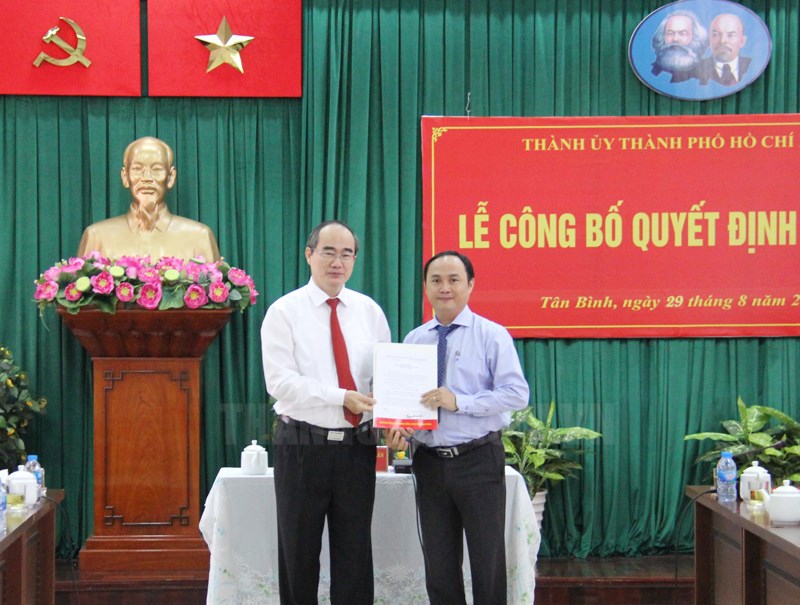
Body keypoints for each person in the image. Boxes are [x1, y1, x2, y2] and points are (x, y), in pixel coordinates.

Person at [385, 250, 529, 605]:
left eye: (453, 280)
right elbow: (407, 404)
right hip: (429, 462)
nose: (444, 288)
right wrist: (399, 429)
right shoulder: (414, 340)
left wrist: (459, 401)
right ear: (426, 287)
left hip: (477, 459)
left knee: (487, 560)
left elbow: (516, 394)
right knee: (439, 565)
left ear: (470, 285)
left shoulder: (492, 336)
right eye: (436, 280)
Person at [261, 220, 391, 605]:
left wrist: (394, 414)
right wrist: (341, 397)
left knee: (355, 556)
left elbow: (385, 378)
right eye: (328, 252)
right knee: (298, 554)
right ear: (309, 255)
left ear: (354, 260)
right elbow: (280, 383)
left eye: (346, 254)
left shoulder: (369, 312)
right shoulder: (284, 312)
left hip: (357, 447)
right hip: (302, 445)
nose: (337, 262)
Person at [77, 136, 220, 260]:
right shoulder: (96, 237)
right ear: (125, 177)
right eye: (137, 169)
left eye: (157, 169)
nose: (147, 178)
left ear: (170, 177)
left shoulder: (200, 237)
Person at [650, 10, 708, 83]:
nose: (675, 39)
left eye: (683, 33)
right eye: (670, 33)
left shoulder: (705, 73)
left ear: (695, 37)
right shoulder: (654, 71)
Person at [696, 13, 750, 86]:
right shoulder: (694, 70)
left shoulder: (752, 67)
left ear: (742, 41)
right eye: (716, 34)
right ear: (709, 40)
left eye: (730, 35)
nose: (722, 40)